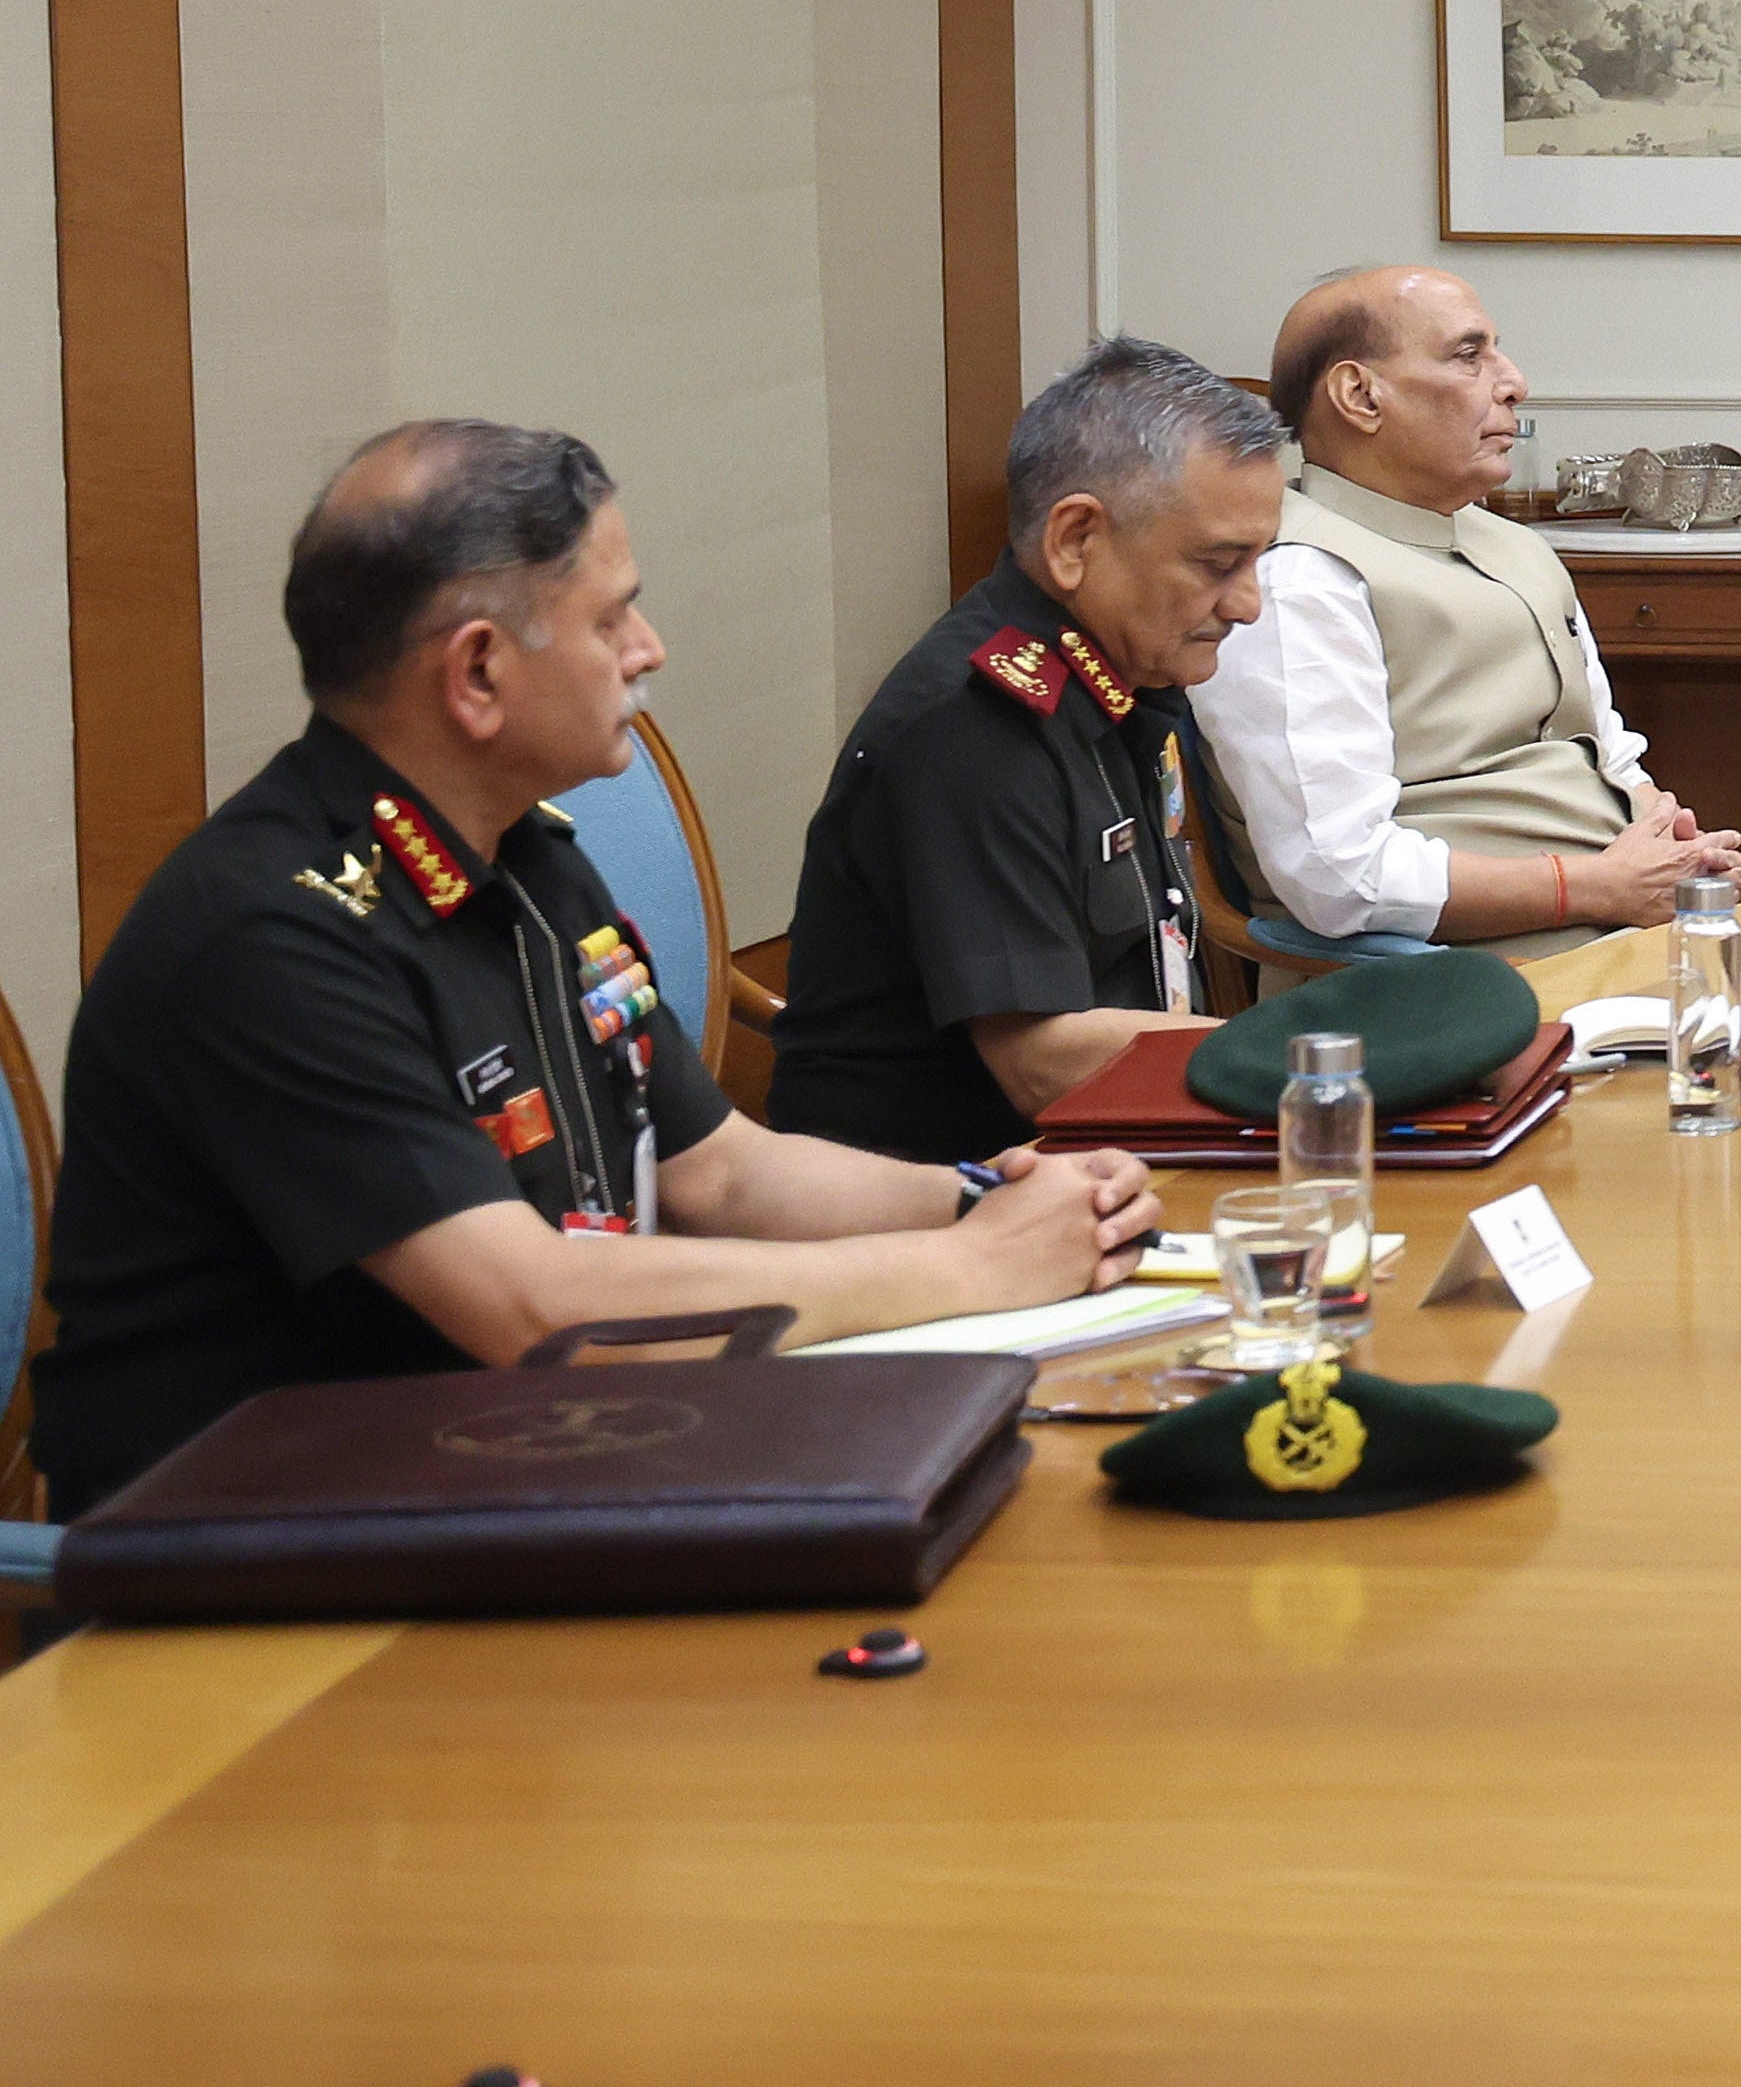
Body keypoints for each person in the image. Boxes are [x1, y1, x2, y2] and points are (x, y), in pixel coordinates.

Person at [30, 424, 1158, 1518]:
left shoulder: (524, 856)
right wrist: (974, 1270)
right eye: (611, 617)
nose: (648, 648)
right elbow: (539, 1309)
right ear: (477, 671)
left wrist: (988, 1196)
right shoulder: (270, 940)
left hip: (502, 1464)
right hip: (248, 1556)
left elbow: (723, 1174)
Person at [768, 339, 1287, 1161]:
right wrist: (1312, 1058)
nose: (1250, 604)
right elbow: (1043, 1062)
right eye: (1220, 564)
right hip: (935, 1210)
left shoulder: (1125, 675)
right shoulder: (973, 725)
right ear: (1075, 539)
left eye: (1260, 561)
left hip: (1106, 1157)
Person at [1190, 266, 1741, 948]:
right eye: (1469, 356)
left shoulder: (1517, 546)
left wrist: (1673, 846)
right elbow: (1338, 873)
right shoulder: (1297, 579)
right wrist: (1595, 885)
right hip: (1451, 989)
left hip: (1623, 936)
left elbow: (1606, 754)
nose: (1513, 380)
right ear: (1360, 395)